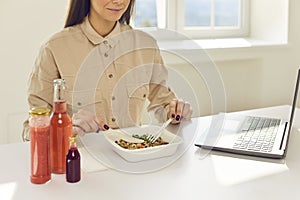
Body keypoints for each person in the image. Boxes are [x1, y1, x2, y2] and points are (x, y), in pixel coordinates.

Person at [23, 0, 192, 141]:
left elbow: (163, 105)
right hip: (78, 166)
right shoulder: (55, 48)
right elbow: (32, 128)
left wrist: (175, 112)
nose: (118, 1)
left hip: (133, 162)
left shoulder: (146, 45)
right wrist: (66, 128)